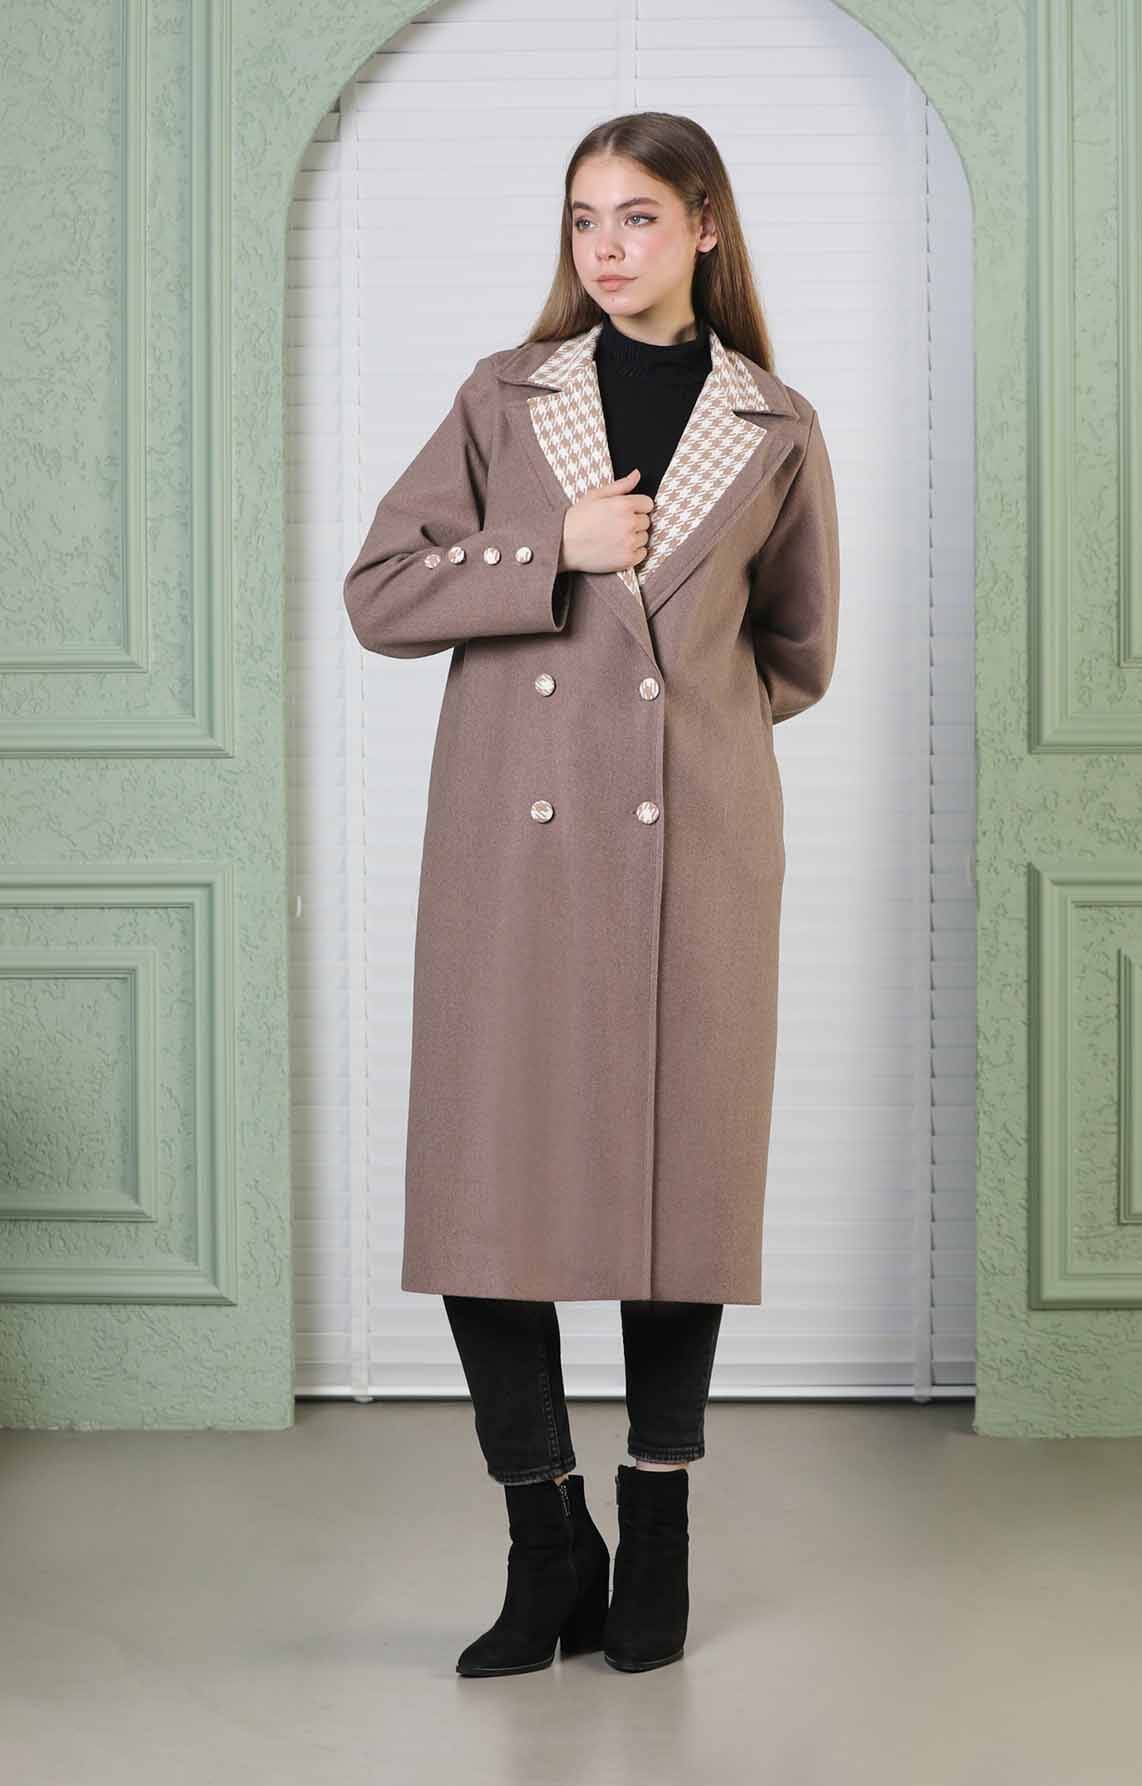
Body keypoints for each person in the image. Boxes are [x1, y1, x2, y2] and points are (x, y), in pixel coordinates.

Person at [343, 111, 841, 1679]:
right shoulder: (507, 397)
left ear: (705, 225)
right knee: (487, 1190)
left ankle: (659, 1530)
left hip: (697, 844)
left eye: (636, 216)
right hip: (516, 843)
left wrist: (689, 747)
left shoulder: (774, 423)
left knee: (679, 1193)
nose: (605, 247)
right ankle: (546, 1540)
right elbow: (379, 596)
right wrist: (545, 548)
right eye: (581, 219)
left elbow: (797, 651)